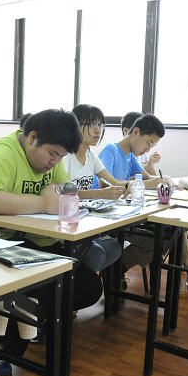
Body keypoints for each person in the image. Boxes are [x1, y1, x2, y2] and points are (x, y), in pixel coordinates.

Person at [0, 109, 104, 376]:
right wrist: (43, 202)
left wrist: (54, 192)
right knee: (36, 288)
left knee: (86, 287)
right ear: (32, 137)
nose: (55, 161)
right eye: (52, 154)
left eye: (61, 156)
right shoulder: (0, 154)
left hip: (31, 239)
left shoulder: (54, 157)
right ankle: (1, 345)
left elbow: (64, 188)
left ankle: (24, 320)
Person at [99, 114, 173, 274]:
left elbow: (146, 178)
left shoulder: (131, 156)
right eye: (148, 143)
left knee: (168, 236)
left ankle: (116, 271)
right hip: (106, 217)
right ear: (136, 132)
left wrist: (165, 179)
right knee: (158, 240)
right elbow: (106, 183)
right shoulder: (111, 150)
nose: (147, 150)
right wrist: (148, 183)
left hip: (124, 215)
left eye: (152, 146)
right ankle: (114, 272)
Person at [64, 104, 126, 272]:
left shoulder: (91, 155)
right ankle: (74, 284)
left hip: (85, 219)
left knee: (114, 248)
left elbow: (114, 182)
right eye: (92, 124)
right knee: (96, 254)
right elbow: (64, 192)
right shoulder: (66, 155)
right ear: (76, 125)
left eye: (100, 124)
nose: (98, 130)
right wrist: (101, 193)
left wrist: (131, 186)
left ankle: (83, 282)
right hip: (66, 222)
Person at [120, 110, 161, 174]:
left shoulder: (141, 153)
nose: (147, 150)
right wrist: (147, 167)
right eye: (148, 143)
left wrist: (151, 165)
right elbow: (128, 176)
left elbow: (151, 175)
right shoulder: (115, 151)